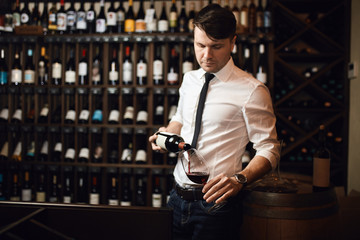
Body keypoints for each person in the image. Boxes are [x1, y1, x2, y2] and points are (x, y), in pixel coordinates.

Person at [149, 4, 280, 240]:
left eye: (216, 47)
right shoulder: (190, 79)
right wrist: (166, 135)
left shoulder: (253, 90)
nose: (206, 55)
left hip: (217, 206)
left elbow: (270, 149)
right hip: (176, 198)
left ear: (233, 42)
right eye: (200, 45)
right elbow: (180, 118)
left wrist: (240, 179)